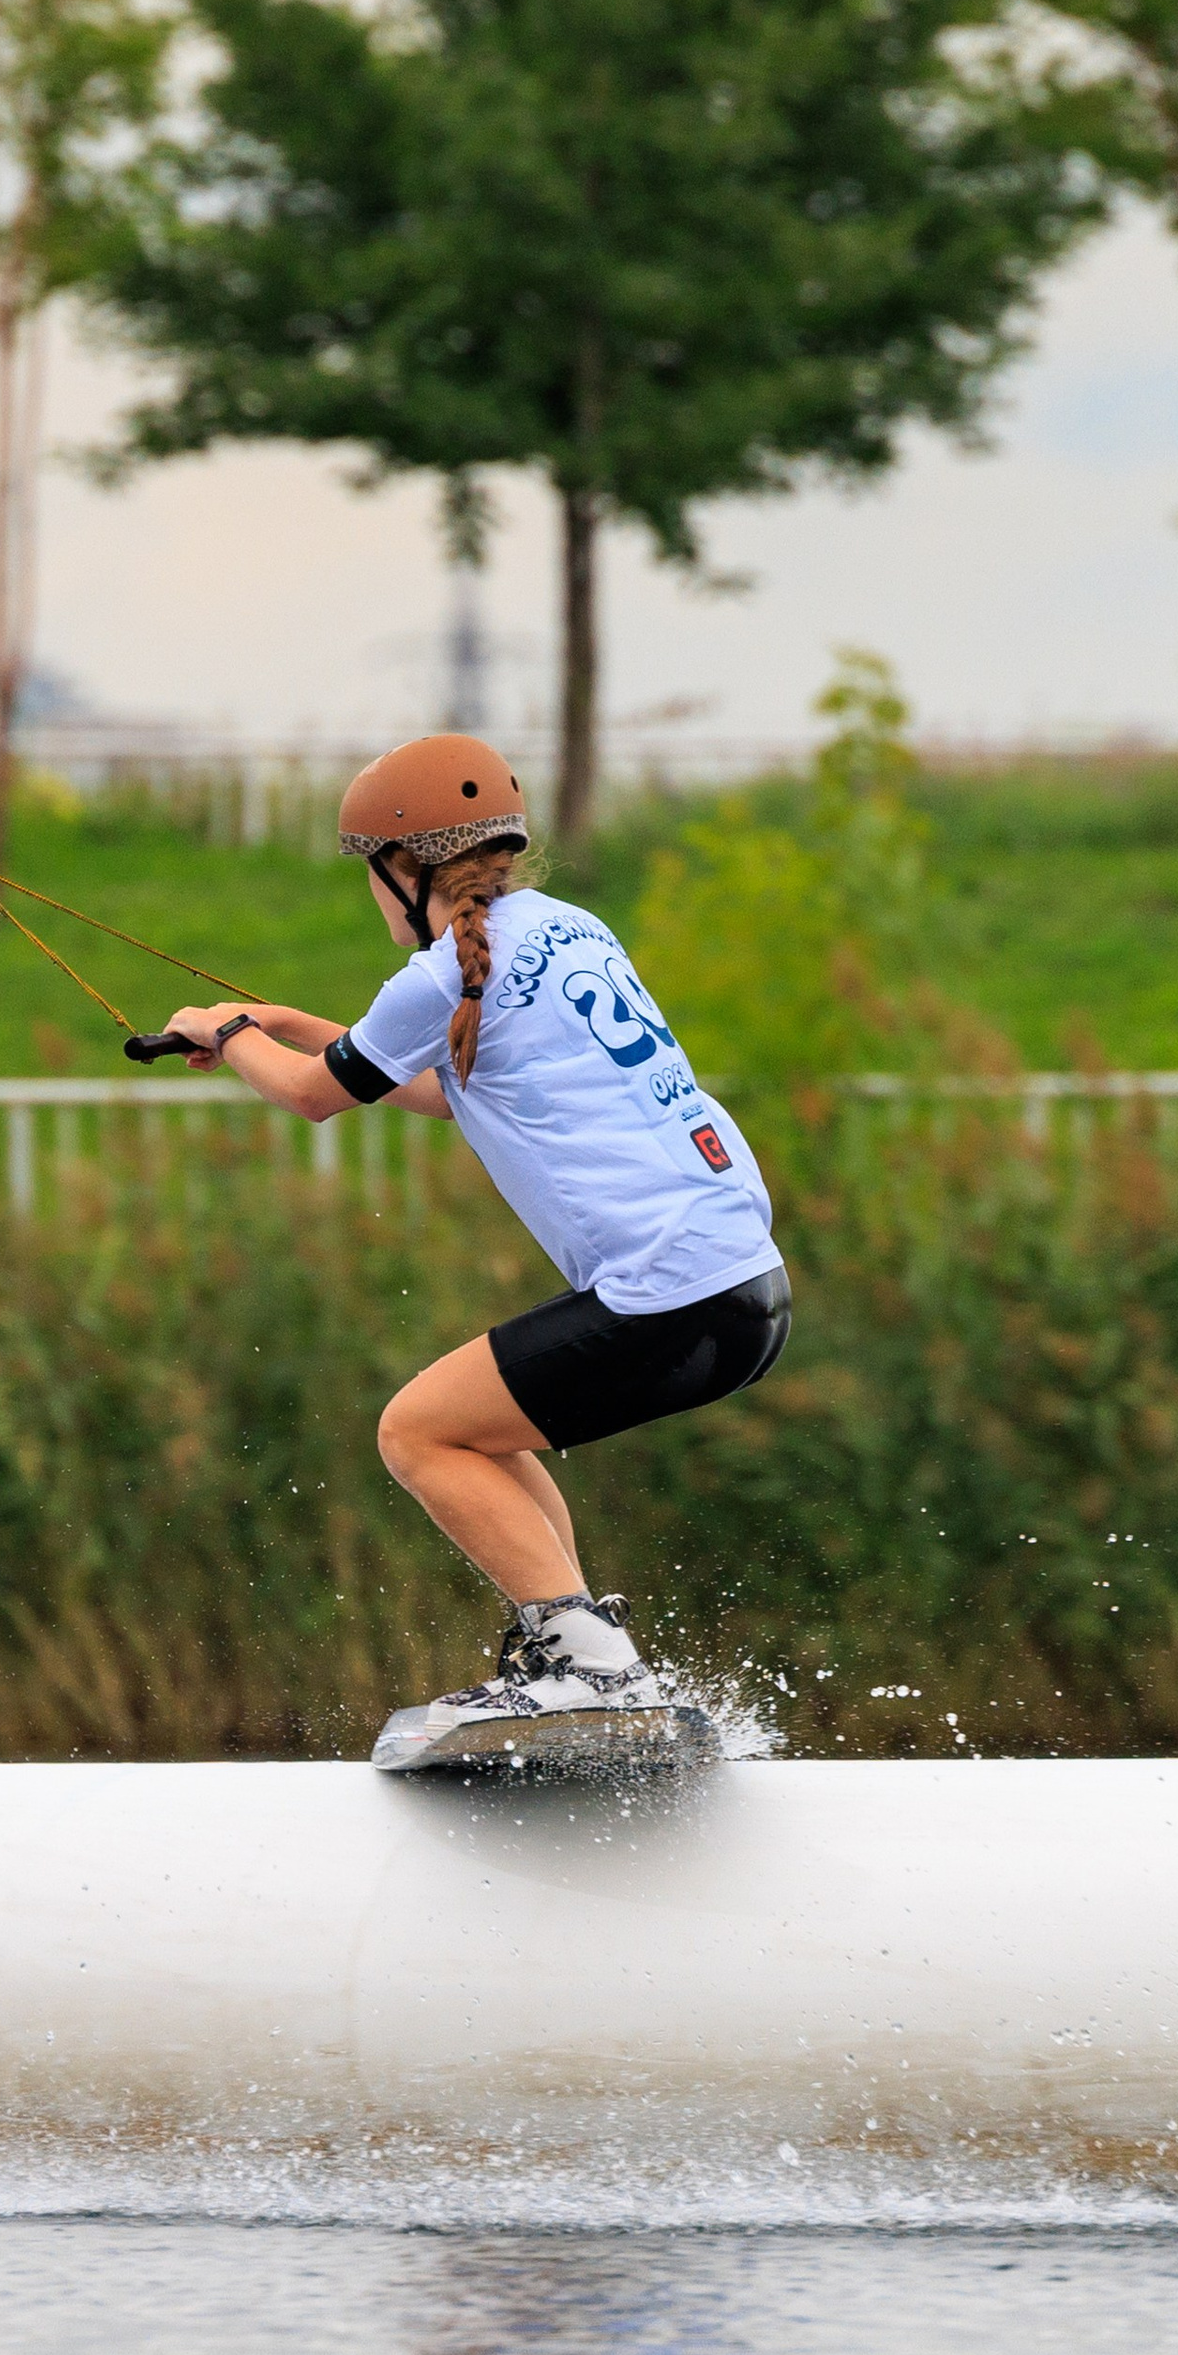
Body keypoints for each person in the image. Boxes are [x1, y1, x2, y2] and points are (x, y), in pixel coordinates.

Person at [157, 733, 788, 1770]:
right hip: (745, 1289)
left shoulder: (443, 966)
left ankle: (589, 1664)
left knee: (416, 1432)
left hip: (668, 1291)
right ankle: (577, 1654)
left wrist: (226, 1037)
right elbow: (434, 1079)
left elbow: (319, 1098)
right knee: (480, 1435)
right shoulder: (574, 930)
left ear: (402, 869)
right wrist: (271, 1018)